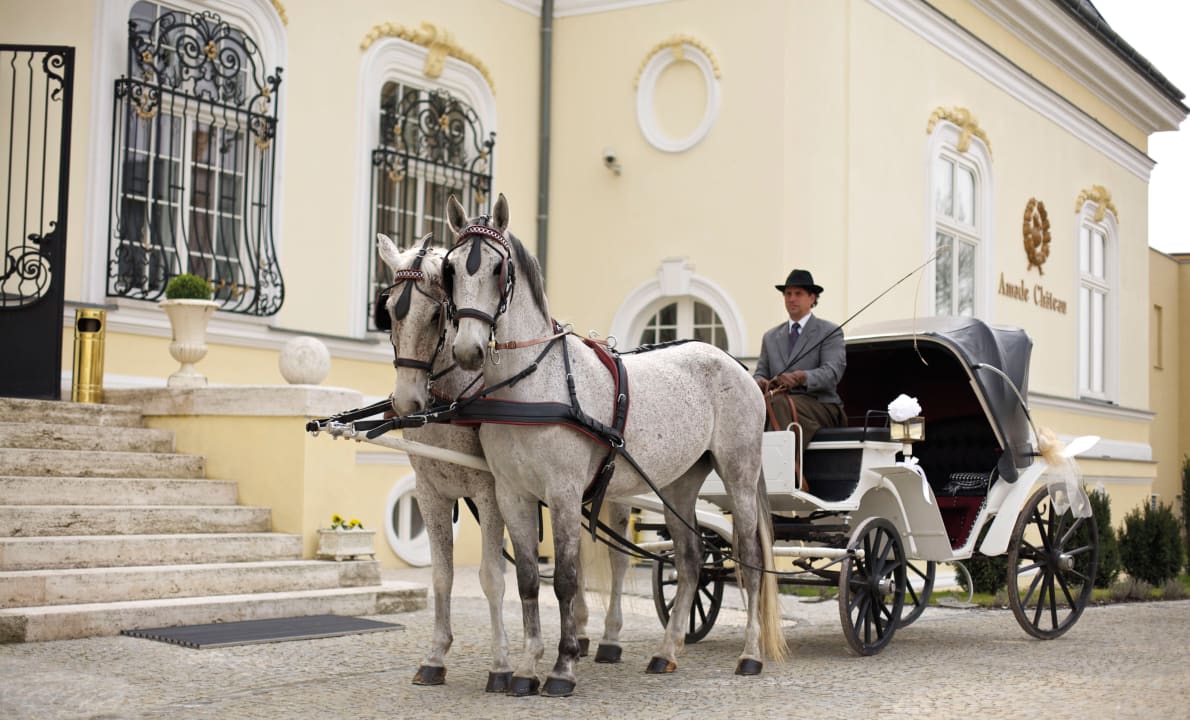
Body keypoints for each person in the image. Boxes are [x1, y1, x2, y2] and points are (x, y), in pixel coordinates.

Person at [754, 269, 846, 443]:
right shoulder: (770, 337)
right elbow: (760, 372)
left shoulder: (829, 331)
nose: (791, 298)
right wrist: (761, 382)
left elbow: (832, 373)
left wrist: (802, 377)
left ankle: (782, 467)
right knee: (768, 405)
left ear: (812, 298)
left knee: (779, 404)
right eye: (787, 294)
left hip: (821, 405)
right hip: (777, 401)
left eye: (798, 293)